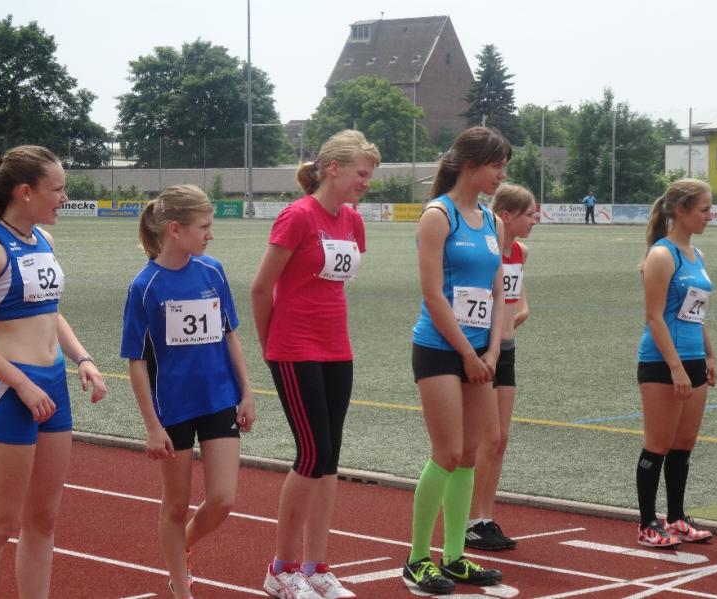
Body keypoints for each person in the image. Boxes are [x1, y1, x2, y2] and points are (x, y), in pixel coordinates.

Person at [0, 145, 107, 599]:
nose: (64, 198)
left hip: (53, 386)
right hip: (11, 389)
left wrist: (83, 358)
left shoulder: (44, 241)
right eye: (57, 189)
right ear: (25, 192)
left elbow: (51, 312)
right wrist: (21, 383)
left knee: (44, 522)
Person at [251, 130, 380, 599]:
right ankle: (281, 569)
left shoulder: (352, 221)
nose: (366, 183)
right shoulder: (298, 216)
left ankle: (316, 566)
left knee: (329, 459)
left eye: (369, 176)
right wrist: (272, 347)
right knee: (311, 453)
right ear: (333, 168)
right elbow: (261, 288)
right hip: (294, 348)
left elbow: (333, 286)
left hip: (336, 349)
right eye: (361, 173)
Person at [121, 184, 255, 599]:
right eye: (204, 227)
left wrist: (247, 393)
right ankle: (181, 588)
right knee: (176, 504)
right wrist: (151, 425)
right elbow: (136, 361)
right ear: (175, 229)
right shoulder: (145, 286)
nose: (210, 235)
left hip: (219, 399)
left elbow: (230, 334)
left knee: (223, 499)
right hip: (173, 410)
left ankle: (182, 548)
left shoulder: (213, 271)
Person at [404, 127, 507, 595]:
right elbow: (432, 294)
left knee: (469, 454)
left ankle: (454, 557)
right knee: (446, 453)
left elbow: (498, 291)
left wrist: (492, 350)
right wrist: (467, 352)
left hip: (480, 354)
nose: (501, 175)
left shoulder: (492, 222)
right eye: (496, 166)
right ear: (470, 166)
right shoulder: (437, 216)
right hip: (440, 349)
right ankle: (416, 560)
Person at [635, 178, 716, 549]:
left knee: (684, 444)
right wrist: (676, 367)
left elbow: (694, 314)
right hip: (662, 362)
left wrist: (709, 355)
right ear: (681, 210)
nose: (709, 216)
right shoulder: (662, 255)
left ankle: (677, 517)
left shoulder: (696, 255)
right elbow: (654, 318)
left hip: (693, 359)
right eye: (704, 209)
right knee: (658, 444)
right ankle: (647, 523)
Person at [465, 184, 536, 551]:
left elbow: (518, 300)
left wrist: (517, 315)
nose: (534, 220)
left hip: (507, 348)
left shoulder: (520, 252)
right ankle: (469, 520)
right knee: (486, 437)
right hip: (484, 349)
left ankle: (485, 517)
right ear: (506, 215)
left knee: (501, 439)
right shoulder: (487, 251)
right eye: (529, 214)